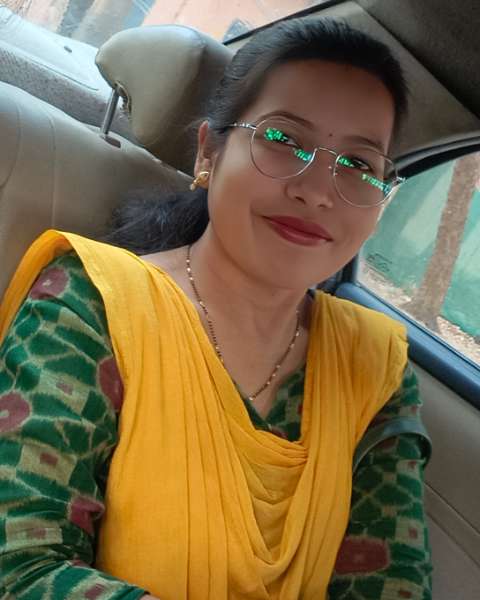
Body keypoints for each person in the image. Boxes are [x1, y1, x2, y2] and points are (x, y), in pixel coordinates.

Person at [0, 17, 432, 600]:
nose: (317, 191)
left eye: (359, 165)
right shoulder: (94, 303)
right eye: (283, 139)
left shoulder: (374, 367)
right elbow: (21, 566)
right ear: (209, 153)